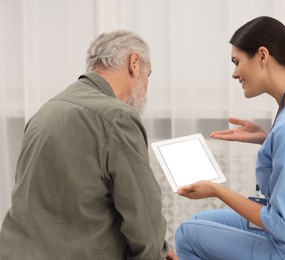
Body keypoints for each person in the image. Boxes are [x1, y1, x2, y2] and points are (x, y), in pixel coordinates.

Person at [175, 16, 285, 259]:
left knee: (187, 234)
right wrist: (267, 139)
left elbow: (281, 223)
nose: (235, 73)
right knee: (201, 220)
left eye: (236, 62)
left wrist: (217, 191)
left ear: (262, 55)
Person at [0, 30, 177, 260]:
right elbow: (142, 213)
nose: (147, 85)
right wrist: (159, 255)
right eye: (148, 74)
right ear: (134, 63)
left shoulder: (46, 111)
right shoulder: (118, 117)